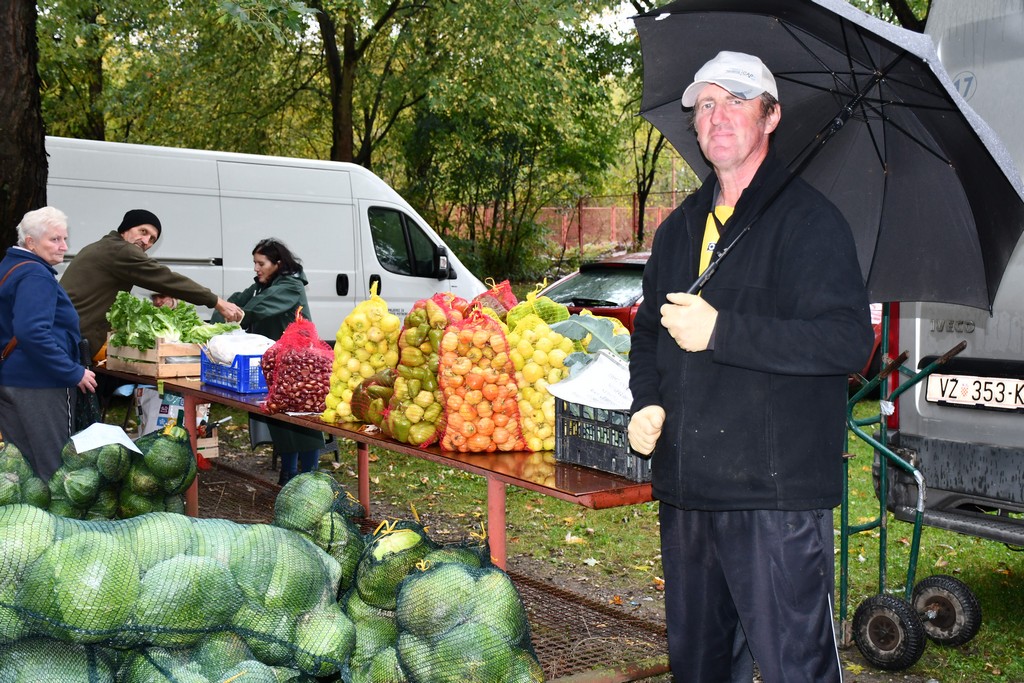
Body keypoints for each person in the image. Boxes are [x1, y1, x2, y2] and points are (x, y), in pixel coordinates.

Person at [627, 51, 875, 682]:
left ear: (771, 117)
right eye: (706, 103)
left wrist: (724, 331)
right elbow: (649, 333)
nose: (719, 115)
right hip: (687, 494)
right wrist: (646, 400)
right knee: (701, 671)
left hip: (775, 500)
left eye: (737, 100)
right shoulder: (679, 229)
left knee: (796, 669)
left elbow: (847, 344)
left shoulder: (811, 224)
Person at [60, 209, 244, 361]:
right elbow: (165, 278)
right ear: (126, 229)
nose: (147, 241)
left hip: (64, 332)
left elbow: (153, 278)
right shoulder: (121, 250)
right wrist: (216, 301)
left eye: (153, 239)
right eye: (143, 231)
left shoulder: (101, 246)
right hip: (72, 338)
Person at [213, 238, 324, 485]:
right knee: (282, 422)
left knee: (304, 423)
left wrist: (237, 314)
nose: (256, 268)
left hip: (301, 365)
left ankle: (310, 478)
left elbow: (257, 307)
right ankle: (288, 475)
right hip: (279, 363)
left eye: (260, 263)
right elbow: (239, 299)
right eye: (254, 262)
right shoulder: (261, 286)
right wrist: (217, 317)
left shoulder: (290, 286)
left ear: (277, 263)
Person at [0, 207, 98, 481]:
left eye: (64, 239)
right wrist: (72, 371)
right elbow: (32, 332)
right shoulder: (35, 275)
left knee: (19, 470)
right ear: (30, 242)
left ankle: (24, 522)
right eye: (55, 240)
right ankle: (57, 524)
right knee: (55, 468)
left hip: (12, 380)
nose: (64, 247)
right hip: (41, 384)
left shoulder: (9, 266)